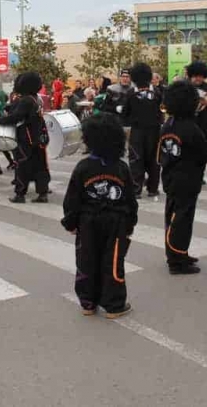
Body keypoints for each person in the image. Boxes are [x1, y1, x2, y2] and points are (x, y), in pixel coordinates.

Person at [62, 113, 138, 319]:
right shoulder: (121, 168)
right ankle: (114, 305)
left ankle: (88, 302)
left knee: (86, 260)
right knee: (112, 262)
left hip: (88, 222)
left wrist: (70, 222)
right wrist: (130, 224)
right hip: (116, 222)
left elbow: (72, 199)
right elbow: (130, 200)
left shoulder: (83, 167)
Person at [158, 81, 207, 275]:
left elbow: (161, 156)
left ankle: (177, 253)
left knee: (172, 217)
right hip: (189, 179)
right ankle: (177, 260)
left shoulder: (167, 125)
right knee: (183, 219)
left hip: (170, 177)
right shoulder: (191, 128)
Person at [0, 72, 51, 204]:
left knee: (22, 165)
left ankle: (20, 194)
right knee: (41, 166)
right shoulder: (37, 98)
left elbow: (15, 117)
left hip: (27, 138)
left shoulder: (26, 100)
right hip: (39, 137)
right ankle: (43, 193)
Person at [125, 62, 162, 198]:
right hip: (154, 130)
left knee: (136, 158)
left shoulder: (130, 94)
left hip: (137, 131)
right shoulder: (156, 92)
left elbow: (125, 112)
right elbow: (161, 111)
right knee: (154, 159)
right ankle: (153, 188)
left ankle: (136, 189)